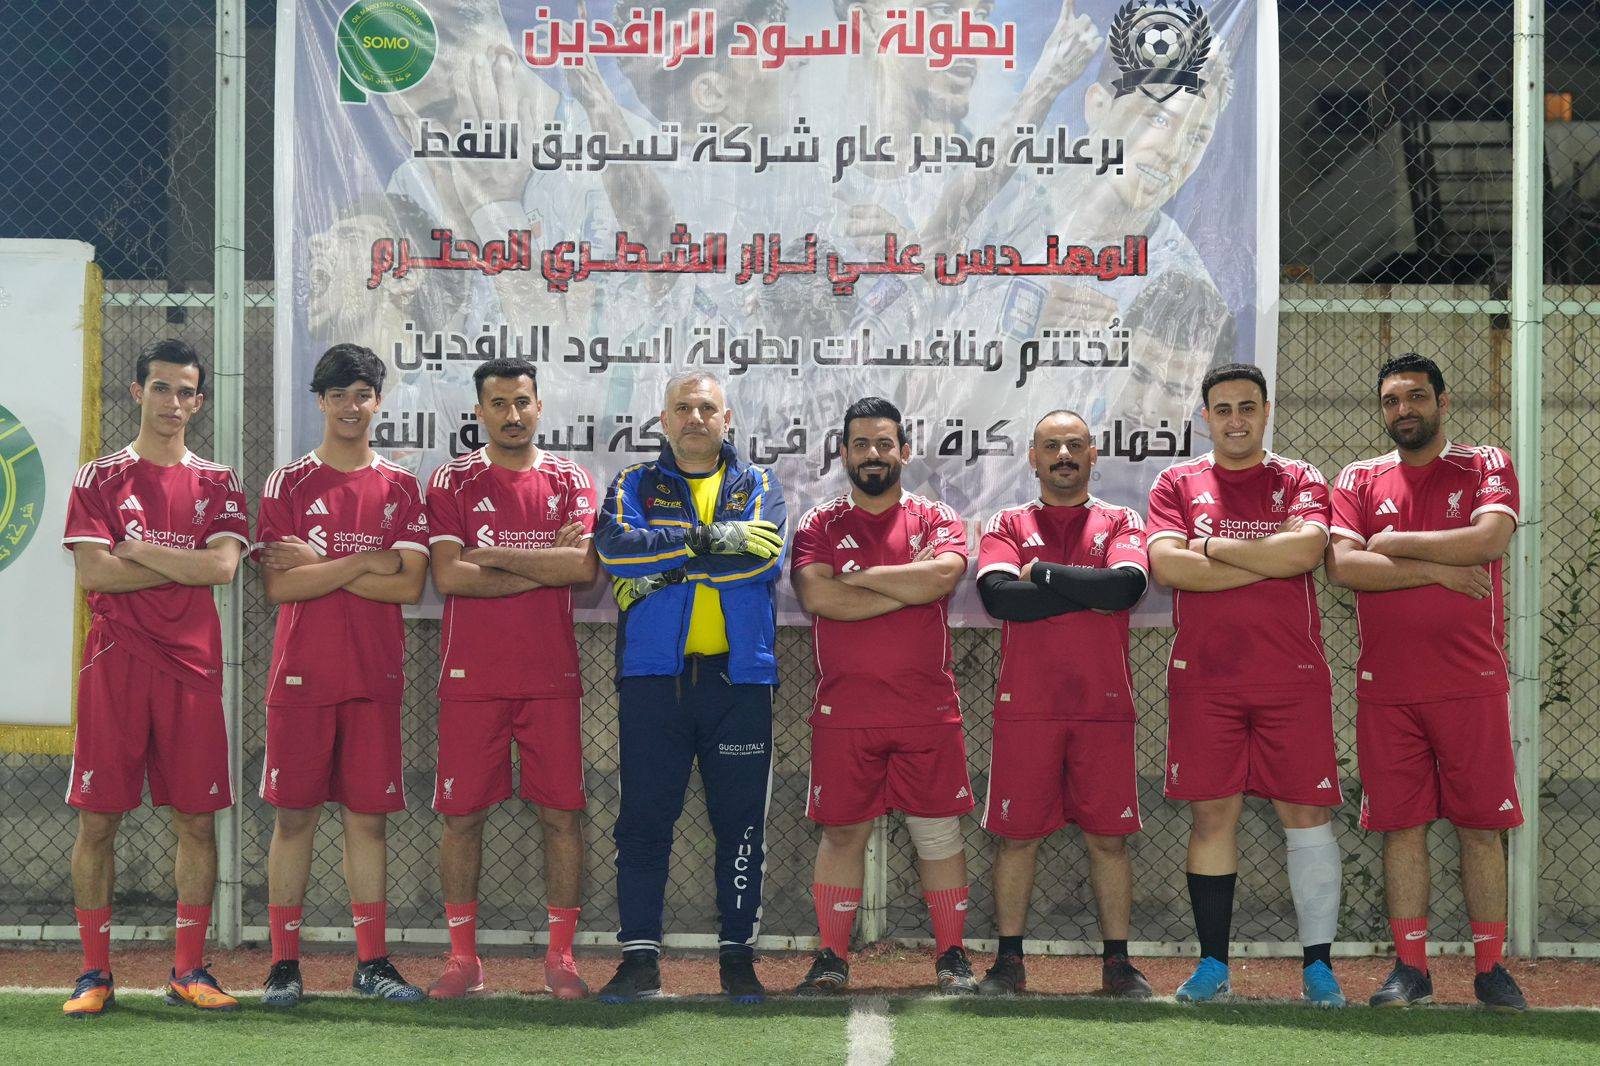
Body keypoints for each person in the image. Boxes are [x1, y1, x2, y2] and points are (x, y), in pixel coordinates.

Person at [1326, 353, 1528, 1012]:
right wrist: (1437, 568)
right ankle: (1410, 969)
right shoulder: (1358, 477)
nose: (1403, 410)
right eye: (1391, 400)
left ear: (1443, 401)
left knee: (1480, 828)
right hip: (1388, 688)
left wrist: (1392, 541)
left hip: (1471, 681)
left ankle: (1491, 969)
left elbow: (1488, 541)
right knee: (1402, 828)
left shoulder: (1484, 463)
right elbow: (1344, 567)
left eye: (1415, 396)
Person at [1145, 363, 1346, 1007]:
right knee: (1212, 815)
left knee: (1306, 814)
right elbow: (1169, 568)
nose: (1236, 420)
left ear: (1266, 411)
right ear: (1206, 417)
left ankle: (1318, 969)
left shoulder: (1300, 477)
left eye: (1247, 407)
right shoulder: (1177, 481)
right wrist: (1267, 560)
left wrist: (1210, 548)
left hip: (1292, 676)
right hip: (1206, 680)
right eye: (1224, 409)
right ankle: (1213, 966)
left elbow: (1306, 553)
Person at [60, 340, 250, 1017]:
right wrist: (179, 562)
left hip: (192, 668)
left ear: (199, 401)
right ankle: (93, 973)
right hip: (115, 663)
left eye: (186, 391)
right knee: (98, 821)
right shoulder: (99, 478)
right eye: (162, 387)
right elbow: (95, 572)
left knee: (197, 822)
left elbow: (222, 568)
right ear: (138, 391)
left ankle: (188, 969)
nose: (174, 402)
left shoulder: (219, 482)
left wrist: (138, 550)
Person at [591, 371, 787, 1004]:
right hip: (655, 679)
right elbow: (616, 551)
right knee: (643, 822)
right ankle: (639, 960)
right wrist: (709, 541)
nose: (695, 418)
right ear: (664, 420)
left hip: (739, 679)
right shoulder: (633, 483)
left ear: (727, 420)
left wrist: (666, 568)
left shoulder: (759, 484)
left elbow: (762, 561)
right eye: (683, 408)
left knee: (740, 825)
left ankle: (737, 958)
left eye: (707, 408)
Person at [253, 344, 431, 1006]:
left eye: (362, 394)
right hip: (301, 675)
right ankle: (283, 964)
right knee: (293, 820)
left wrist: (322, 564)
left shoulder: (402, 487)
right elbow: (280, 586)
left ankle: (372, 963)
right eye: (337, 395)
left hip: (373, 675)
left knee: (368, 823)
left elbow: (408, 586)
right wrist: (363, 563)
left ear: (377, 401)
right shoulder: (287, 483)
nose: (350, 407)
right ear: (320, 401)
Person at [423, 358, 599, 1000]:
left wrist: (493, 555)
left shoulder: (571, 478)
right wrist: (544, 561)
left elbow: (582, 571)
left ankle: (561, 958)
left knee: (562, 817)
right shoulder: (452, 480)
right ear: (480, 412)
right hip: (472, 679)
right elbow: (450, 576)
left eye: (522, 402)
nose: (512, 415)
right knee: (462, 819)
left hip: (550, 676)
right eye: (498, 404)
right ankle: (463, 960)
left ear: (539, 406)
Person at [790, 396, 976, 995]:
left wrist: (857, 579)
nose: (873, 453)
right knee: (843, 833)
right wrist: (905, 586)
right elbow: (818, 597)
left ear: (904, 451)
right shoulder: (819, 523)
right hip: (846, 709)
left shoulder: (937, 517)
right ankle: (831, 956)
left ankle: (951, 956)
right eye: (861, 444)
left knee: (937, 832)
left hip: (927, 707)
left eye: (884, 443)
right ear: (844, 453)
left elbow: (942, 576)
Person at [973, 409, 1152, 998]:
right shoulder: (1007, 522)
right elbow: (1000, 599)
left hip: (1103, 705)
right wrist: (1086, 589)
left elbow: (1125, 588)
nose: (1064, 456)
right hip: (1027, 706)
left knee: (1109, 839)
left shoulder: (1121, 519)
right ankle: (1008, 963)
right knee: (1017, 837)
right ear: (1033, 457)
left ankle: (1118, 964)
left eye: (1075, 445)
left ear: (1094, 453)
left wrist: (1043, 574)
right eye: (1051, 446)